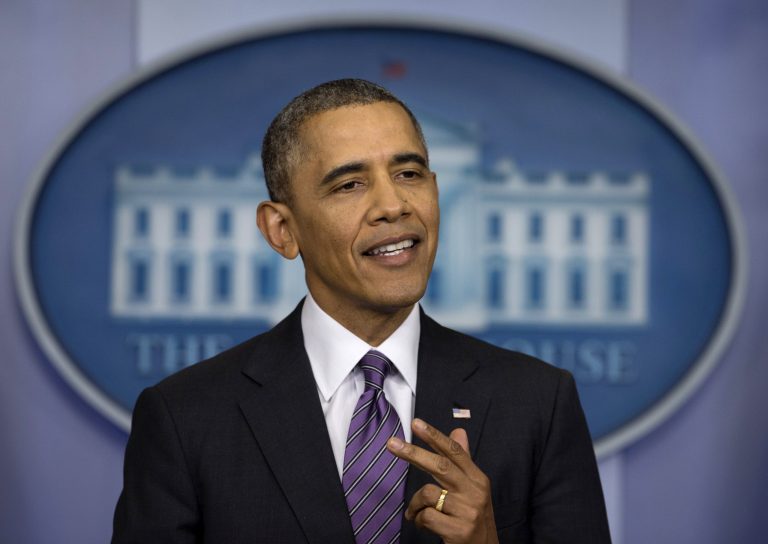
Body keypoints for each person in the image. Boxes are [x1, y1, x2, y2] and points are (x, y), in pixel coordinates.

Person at [112, 79, 611, 543]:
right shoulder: (186, 417)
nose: (393, 205)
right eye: (349, 184)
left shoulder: (539, 403)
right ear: (282, 230)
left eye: (409, 173)